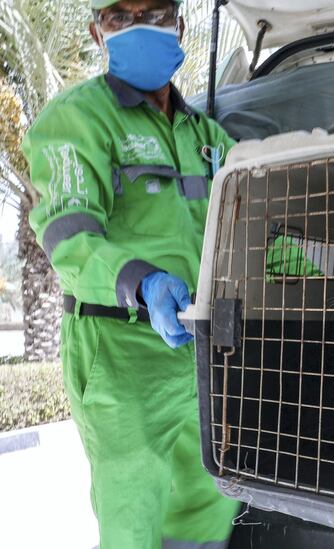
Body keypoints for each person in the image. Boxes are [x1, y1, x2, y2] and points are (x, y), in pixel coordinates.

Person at [23, 0, 240, 547]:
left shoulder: (211, 138)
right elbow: (69, 234)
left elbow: (258, 231)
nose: (138, 24)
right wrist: (141, 281)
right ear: (99, 33)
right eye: (120, 16)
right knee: (133, 508)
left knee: (212, 496)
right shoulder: (77, 119)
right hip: (119, 352)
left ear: (180, 24)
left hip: (208, 350)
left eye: (155, 11)